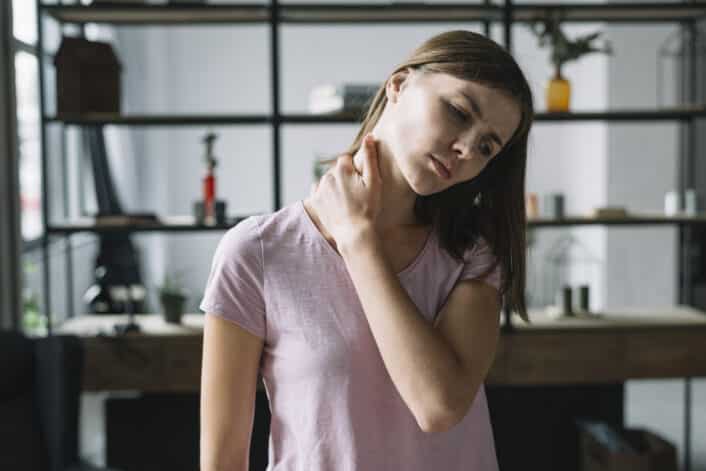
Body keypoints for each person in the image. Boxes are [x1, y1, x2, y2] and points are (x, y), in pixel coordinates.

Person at [199, 29, 534, 471]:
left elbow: (438, 405)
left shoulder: (473, 255)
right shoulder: (257, 252)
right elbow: (222, 460)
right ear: (399, 85)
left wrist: (359, 241)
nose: (465, 150)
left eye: (487, 146)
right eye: (457, 112)